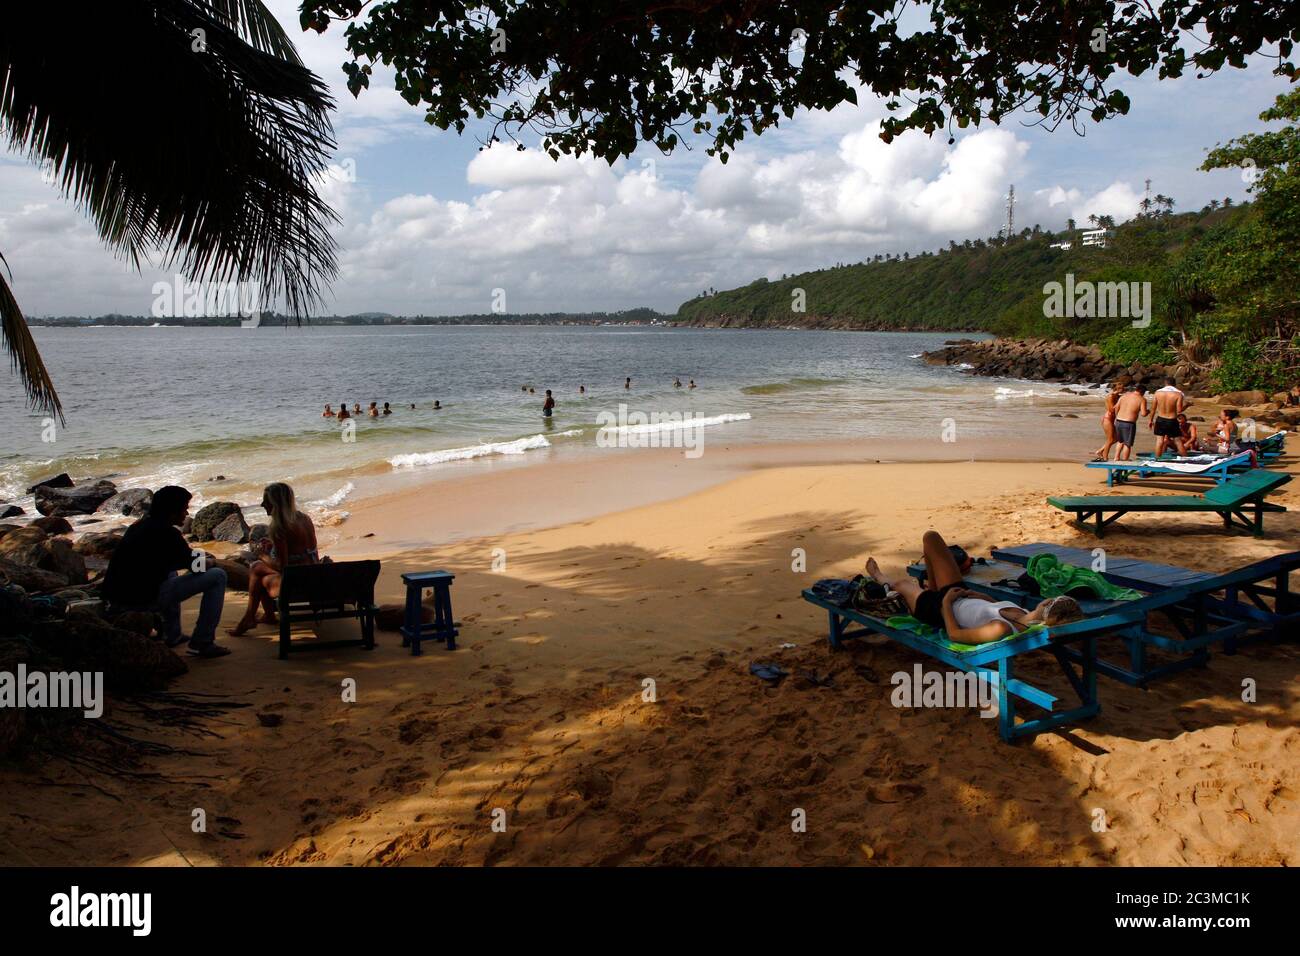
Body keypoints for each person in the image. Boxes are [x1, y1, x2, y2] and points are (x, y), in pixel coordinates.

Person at [865, 531, 1083, 645]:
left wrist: (947, 603)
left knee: (903, 584)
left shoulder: (1003, 629)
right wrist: (980, 596)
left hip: (940, 610)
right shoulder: (1025, 615)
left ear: (1046, 611)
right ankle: (930, 588)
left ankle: (879, 577)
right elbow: (989, 610)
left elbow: (955, 635)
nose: (1047, 600)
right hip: (960, 596)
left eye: (1049, 603)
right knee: (931, 538)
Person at [102, 486, 229, 658]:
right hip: (140, 600)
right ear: (172, 512)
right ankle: (203, 642)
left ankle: (173, 635)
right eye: (184, 509)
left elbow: (174, 560)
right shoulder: (167, 533)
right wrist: (213, 562)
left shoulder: (138, 527)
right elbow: (196, 565)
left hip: (117, 598)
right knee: (217, 577)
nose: (186, 514)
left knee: (171, 573)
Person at [229, 482, 320, 636]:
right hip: (315, 576)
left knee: (256, 569)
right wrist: (272, 548)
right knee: (258, 569)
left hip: (296, 584)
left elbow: (283, 567)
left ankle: (251, 617)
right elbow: (300, 549)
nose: (262, 503)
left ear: (275, 503)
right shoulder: (305, 519)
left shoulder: (280, 527)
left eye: (266, 500)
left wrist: (260, 554)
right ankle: (264, 616)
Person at [1149, 377, 1187, 458]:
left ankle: (1157, 460)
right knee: (1178, 441)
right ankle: (1185, 459)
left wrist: (1150, 420)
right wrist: (1187, 405)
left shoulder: (1157, 393)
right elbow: (1179, 410)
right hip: (1172, 420)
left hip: (1160, 419)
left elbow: (1153, 409)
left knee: (1159, 441)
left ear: (1165, 383)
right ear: (1174, 384)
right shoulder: (1178, 394)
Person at [1112, 383, 1147, 461]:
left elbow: (1116, 407)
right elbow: (1143, 414)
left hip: (1119, 421)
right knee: (1127, 444)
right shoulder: (1141, 399)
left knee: (1120, 441)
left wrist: (1116, 417)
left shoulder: (1124, 396)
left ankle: (1116, 457)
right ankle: (1125, 460)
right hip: (1129, 423)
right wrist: (1148, 411)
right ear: (1143, 392)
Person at [1092, 382, 1122, 461]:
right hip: (1107, 419)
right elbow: (1111, 410)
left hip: (1113, 419)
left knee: (1117, 439)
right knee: (1110, 439)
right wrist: (1120, 403)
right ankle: (1105, 457)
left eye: (1123, 387)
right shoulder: (1111, 396)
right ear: (1115, 388)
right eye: (1120, 387)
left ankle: (1100, 451)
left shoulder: (1118, 396)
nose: (1123, 389)